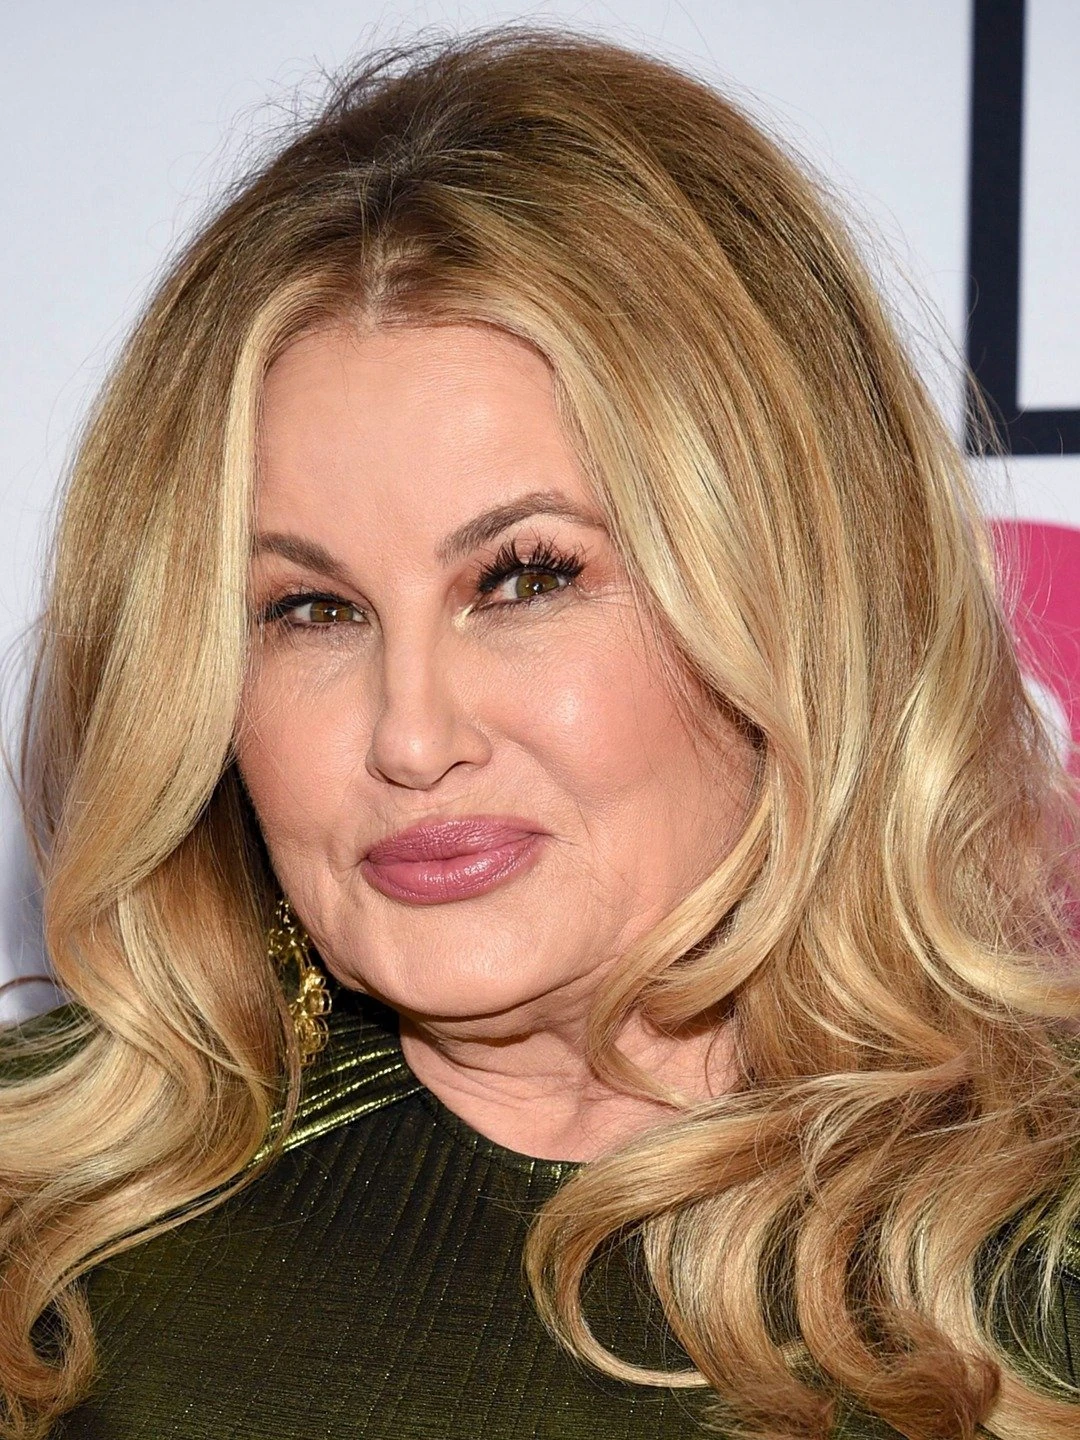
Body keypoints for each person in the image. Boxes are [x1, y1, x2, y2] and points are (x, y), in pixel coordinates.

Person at [1, 25, 1079, 1440]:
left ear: (793, 595)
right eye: (311, 609)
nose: (411, 735)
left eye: (525, 579)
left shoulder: (1041, 1248)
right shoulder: (41, 1226)